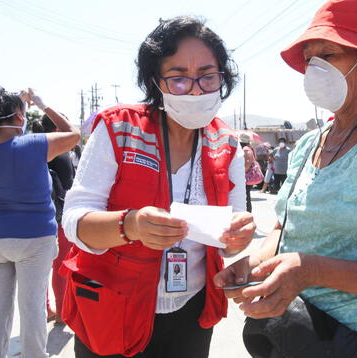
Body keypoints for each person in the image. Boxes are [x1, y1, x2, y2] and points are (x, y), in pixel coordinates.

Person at [215, 1, 357, 357]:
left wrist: (310, 271)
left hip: (352, 341)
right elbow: (284, 227)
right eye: (310, 59)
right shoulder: (311, 141)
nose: (315, 68)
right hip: (294, 329)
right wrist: (256, 264)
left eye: (329, 54)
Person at [60, 16, 256, 358]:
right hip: (113, 307)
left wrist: (239, 235)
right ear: (156, 81)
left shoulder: (227, 143)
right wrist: (130, 225)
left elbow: (232, 230)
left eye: (208, 77)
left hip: (192, 312)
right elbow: (75, 221)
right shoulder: (119, 128)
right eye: (179, 78)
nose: (196, 90)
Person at [0, 84, 80, 358]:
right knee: (32, 306)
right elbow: (74, 134)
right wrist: (41, 103)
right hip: (33, 238)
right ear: (18, 118)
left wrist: (18, 108)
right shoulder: (34, 145)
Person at [32, 114, 76, 324]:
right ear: (58, 130)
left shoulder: (30, 150)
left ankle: (45, 310)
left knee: (38, 271)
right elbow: (70, 184)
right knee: (61, 267)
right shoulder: (62, 155)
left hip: (34, 219)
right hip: (58, 217)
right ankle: (61, 312)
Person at [240, 132, 257, 212]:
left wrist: (241, 175)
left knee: (246, 196)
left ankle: (247, 212)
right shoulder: (249, 149)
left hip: (246, 177)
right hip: (247, 176)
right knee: (247, 196)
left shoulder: (246, 150)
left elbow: (247, 164)